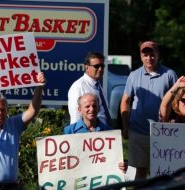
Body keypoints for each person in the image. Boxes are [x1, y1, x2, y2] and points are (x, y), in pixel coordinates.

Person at [120, 40, 178, 179]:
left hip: (163, 132)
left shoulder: (170, 74)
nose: (149, 58)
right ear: (140, 57)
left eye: (152, 54)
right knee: (140, 173)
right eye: (145, 55)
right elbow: (125, 100)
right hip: (138, 131)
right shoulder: (134, 75)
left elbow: (177, 100)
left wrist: (175, 120)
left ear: (157, 55)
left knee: (163, 173)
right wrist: (125, 126)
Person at [64, 93, 127, 173]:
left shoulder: (110, 133)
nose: (92, 109)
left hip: (100, 179)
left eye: (94, 106)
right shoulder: (69, 131)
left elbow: (114, 159)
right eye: (87, 106)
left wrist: (121, 165)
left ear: (99, 108)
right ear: (79, 110)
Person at [68, 51, 112, 128]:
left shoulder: (98, 86)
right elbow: (76, 117)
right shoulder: (78, 87)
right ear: (87, 67)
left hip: (103, 132)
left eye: (102, 66)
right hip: (90, 135)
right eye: (97, 66)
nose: (100, 69)